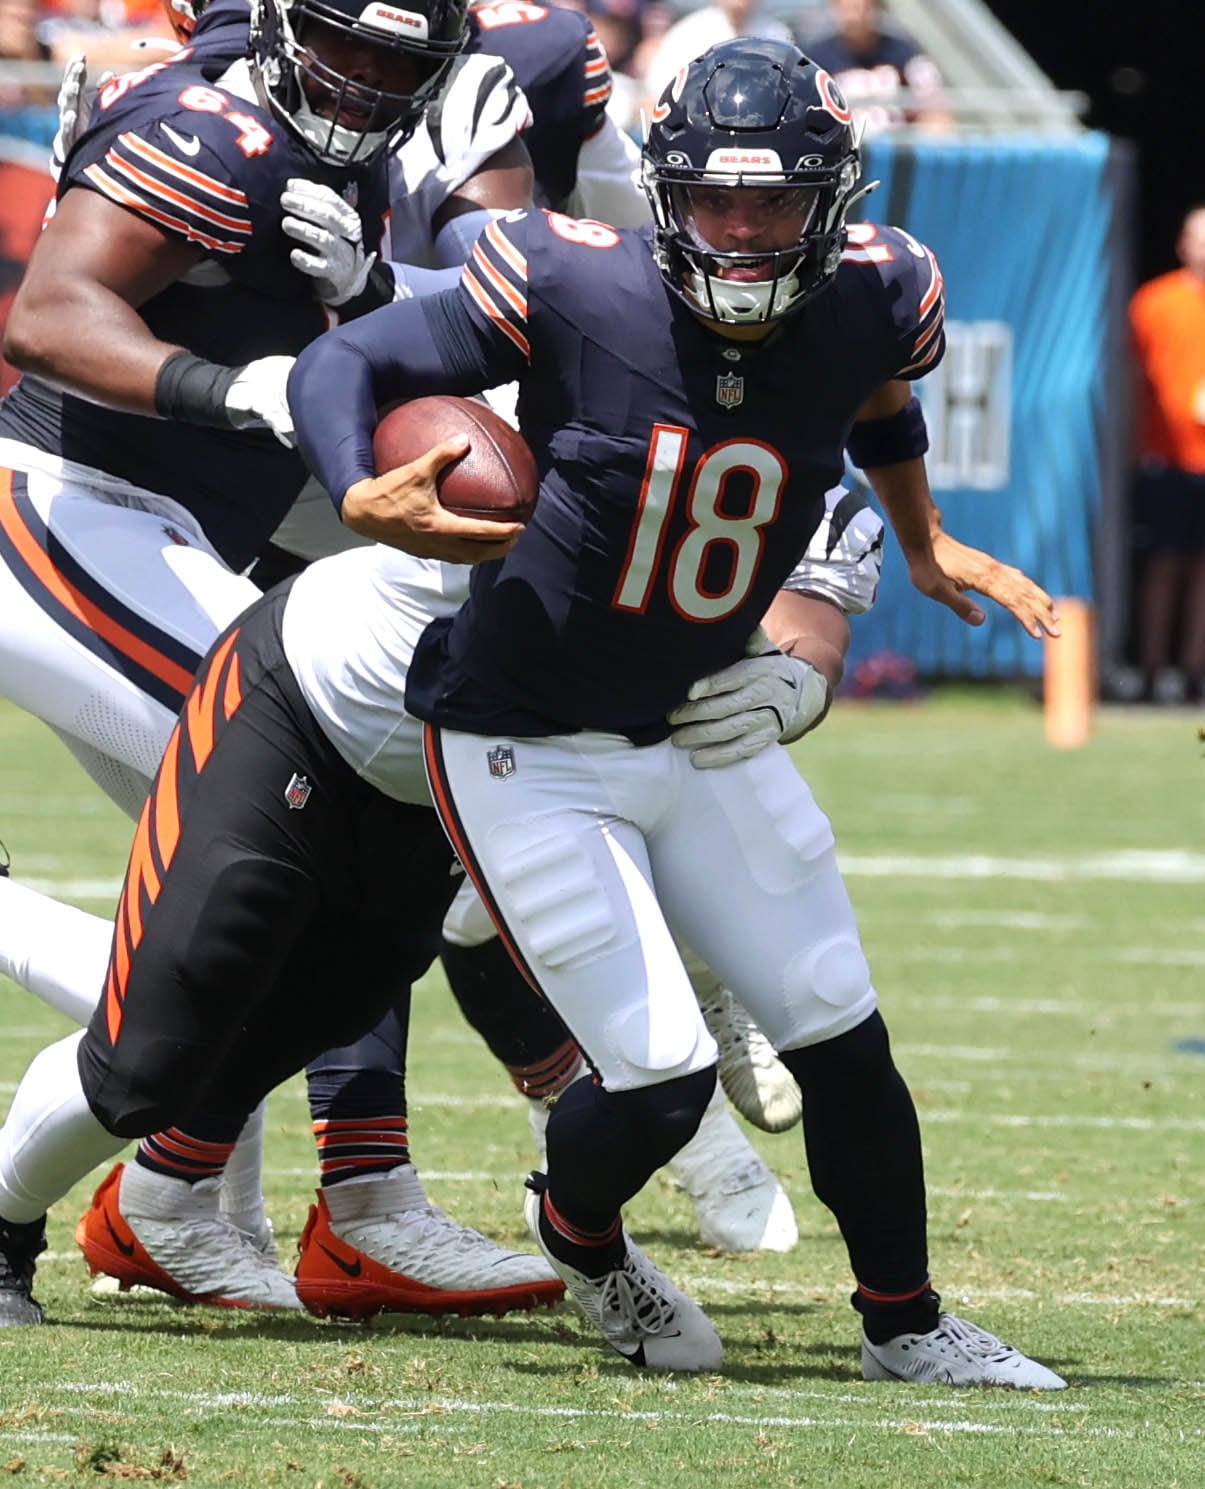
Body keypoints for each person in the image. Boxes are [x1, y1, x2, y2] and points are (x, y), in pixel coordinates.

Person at [286, 38, 1066, 1385]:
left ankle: (904, 1324)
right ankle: (581, 1235)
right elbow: (343, 364)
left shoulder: (883, 289)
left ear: (833, 202)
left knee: (839, 1026)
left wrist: (923, 540)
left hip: (690, 713)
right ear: (666, 194)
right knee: (657, 1079)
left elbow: (878, 393)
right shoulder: (572, 277)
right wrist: (357, 486)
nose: (746, 231)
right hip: (524, 735)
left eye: (774, 203)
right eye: (718, 202)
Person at [0, 0, 568, 1321]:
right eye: (341, 44)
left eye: (394, 63)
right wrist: (235, 386)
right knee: (302, 826)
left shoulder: (354, 157)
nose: (361, 83)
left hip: (184, 529)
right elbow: (50, 310)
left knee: (251, 909)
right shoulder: (216, 133)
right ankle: (182, 1191)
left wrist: (368, 296)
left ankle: (186, 1207)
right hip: (64, 508)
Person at [1128, 203, 1205, 704]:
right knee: (1165, 564)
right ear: (1182, 244)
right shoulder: (1154, 302)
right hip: (1165, 458)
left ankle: (1194, 671)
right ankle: (1154, 670)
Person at [804, 0, 950, 136]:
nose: (856, 14)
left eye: (863, 6)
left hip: (894, 150)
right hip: (840, 148)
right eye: (849, 6)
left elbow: (936, 111)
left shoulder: (904, 52)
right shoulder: (817, 57)